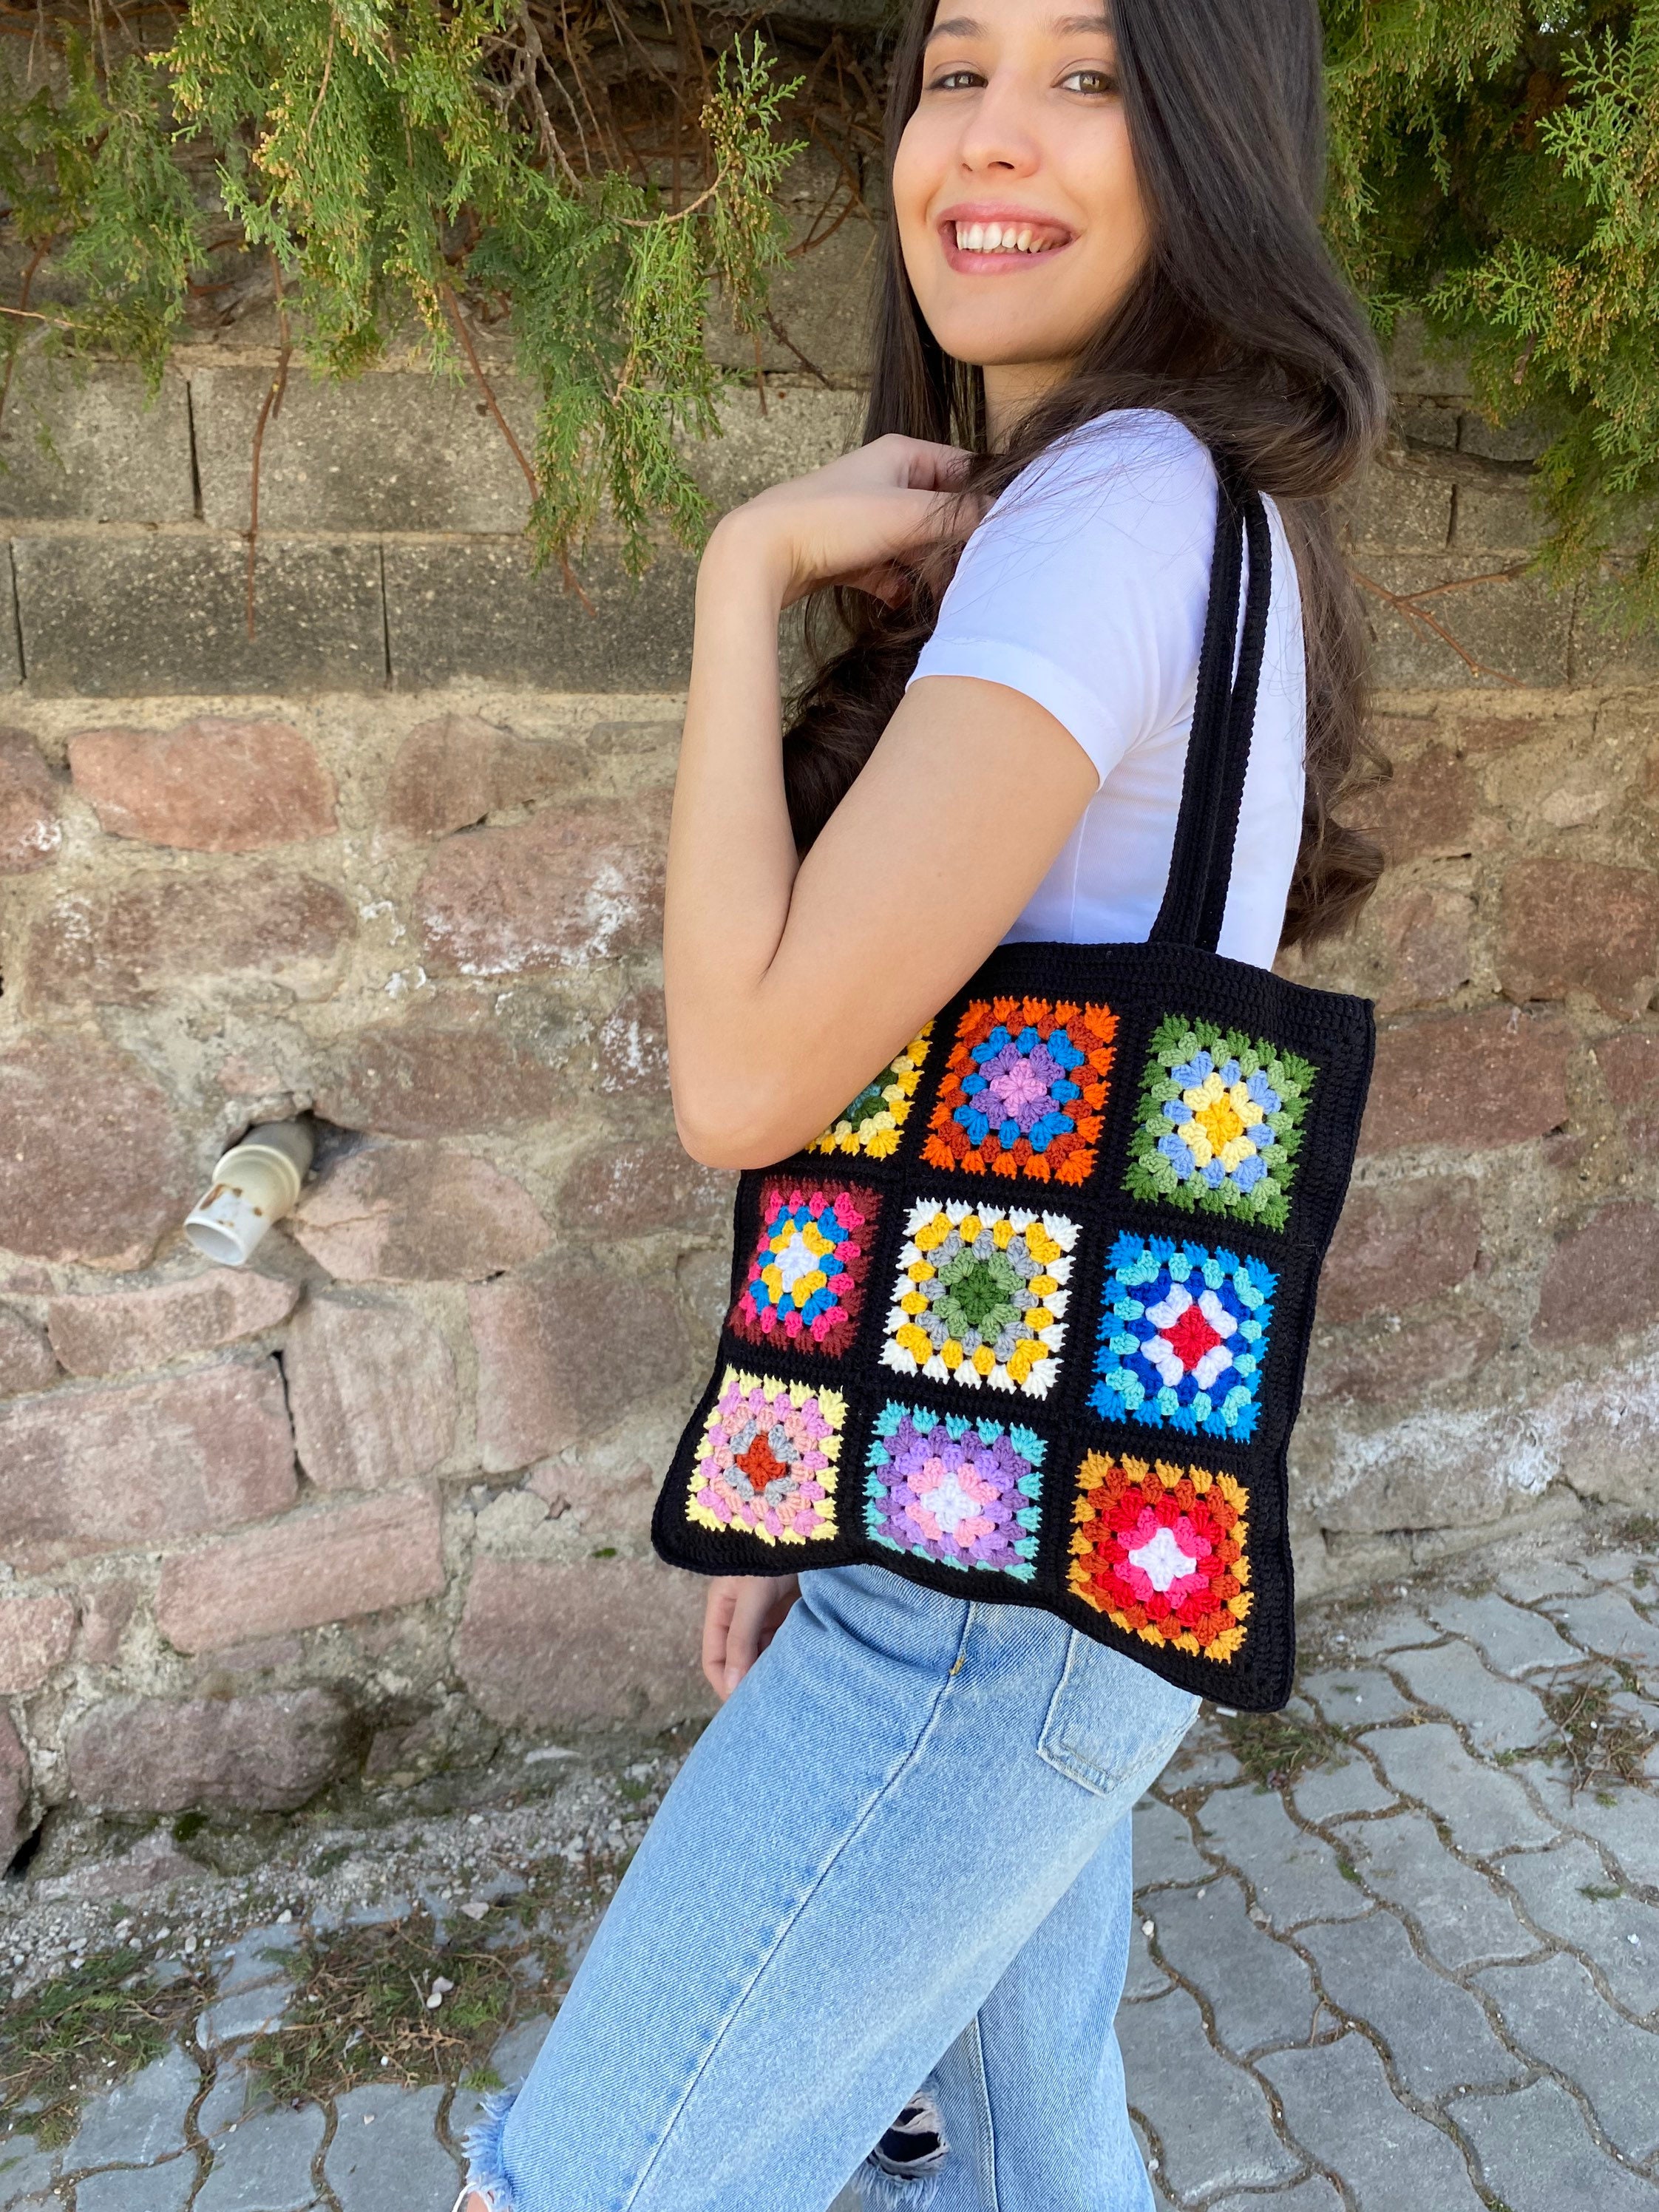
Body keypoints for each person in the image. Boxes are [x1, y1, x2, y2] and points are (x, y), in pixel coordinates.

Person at [453, 0, 1384, 2203]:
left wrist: (733, 574)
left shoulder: (1110, 509)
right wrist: (841, 1496)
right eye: (957, 66)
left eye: (1088, 77)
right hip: (1027, 1539)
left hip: (987, 1611)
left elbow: (752, 1076)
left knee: (585, 2180)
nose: (993, 135)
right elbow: (967, 1119)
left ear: (1211, 145)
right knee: (1019, 2158)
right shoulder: (1190, 511)